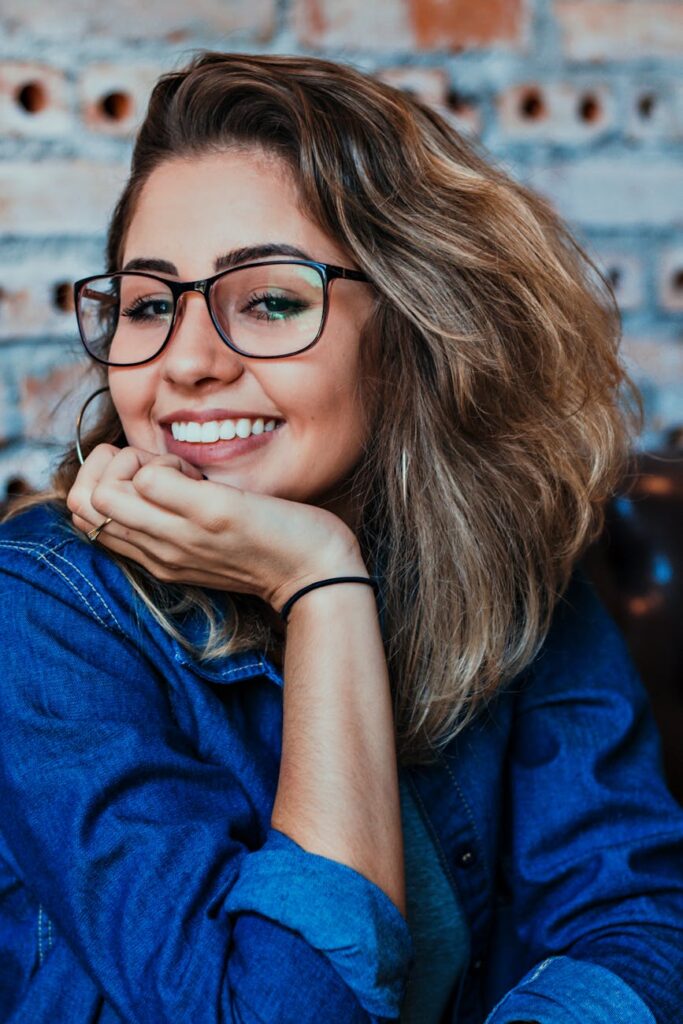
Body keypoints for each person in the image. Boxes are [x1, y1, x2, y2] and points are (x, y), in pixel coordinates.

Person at [0, 51, 681, 1024]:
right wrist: (320, 583)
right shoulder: (44, 609)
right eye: (151, 304)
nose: (184, 360)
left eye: (270, 299)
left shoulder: (511, 565)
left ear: (409, 330)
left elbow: (634, 917)